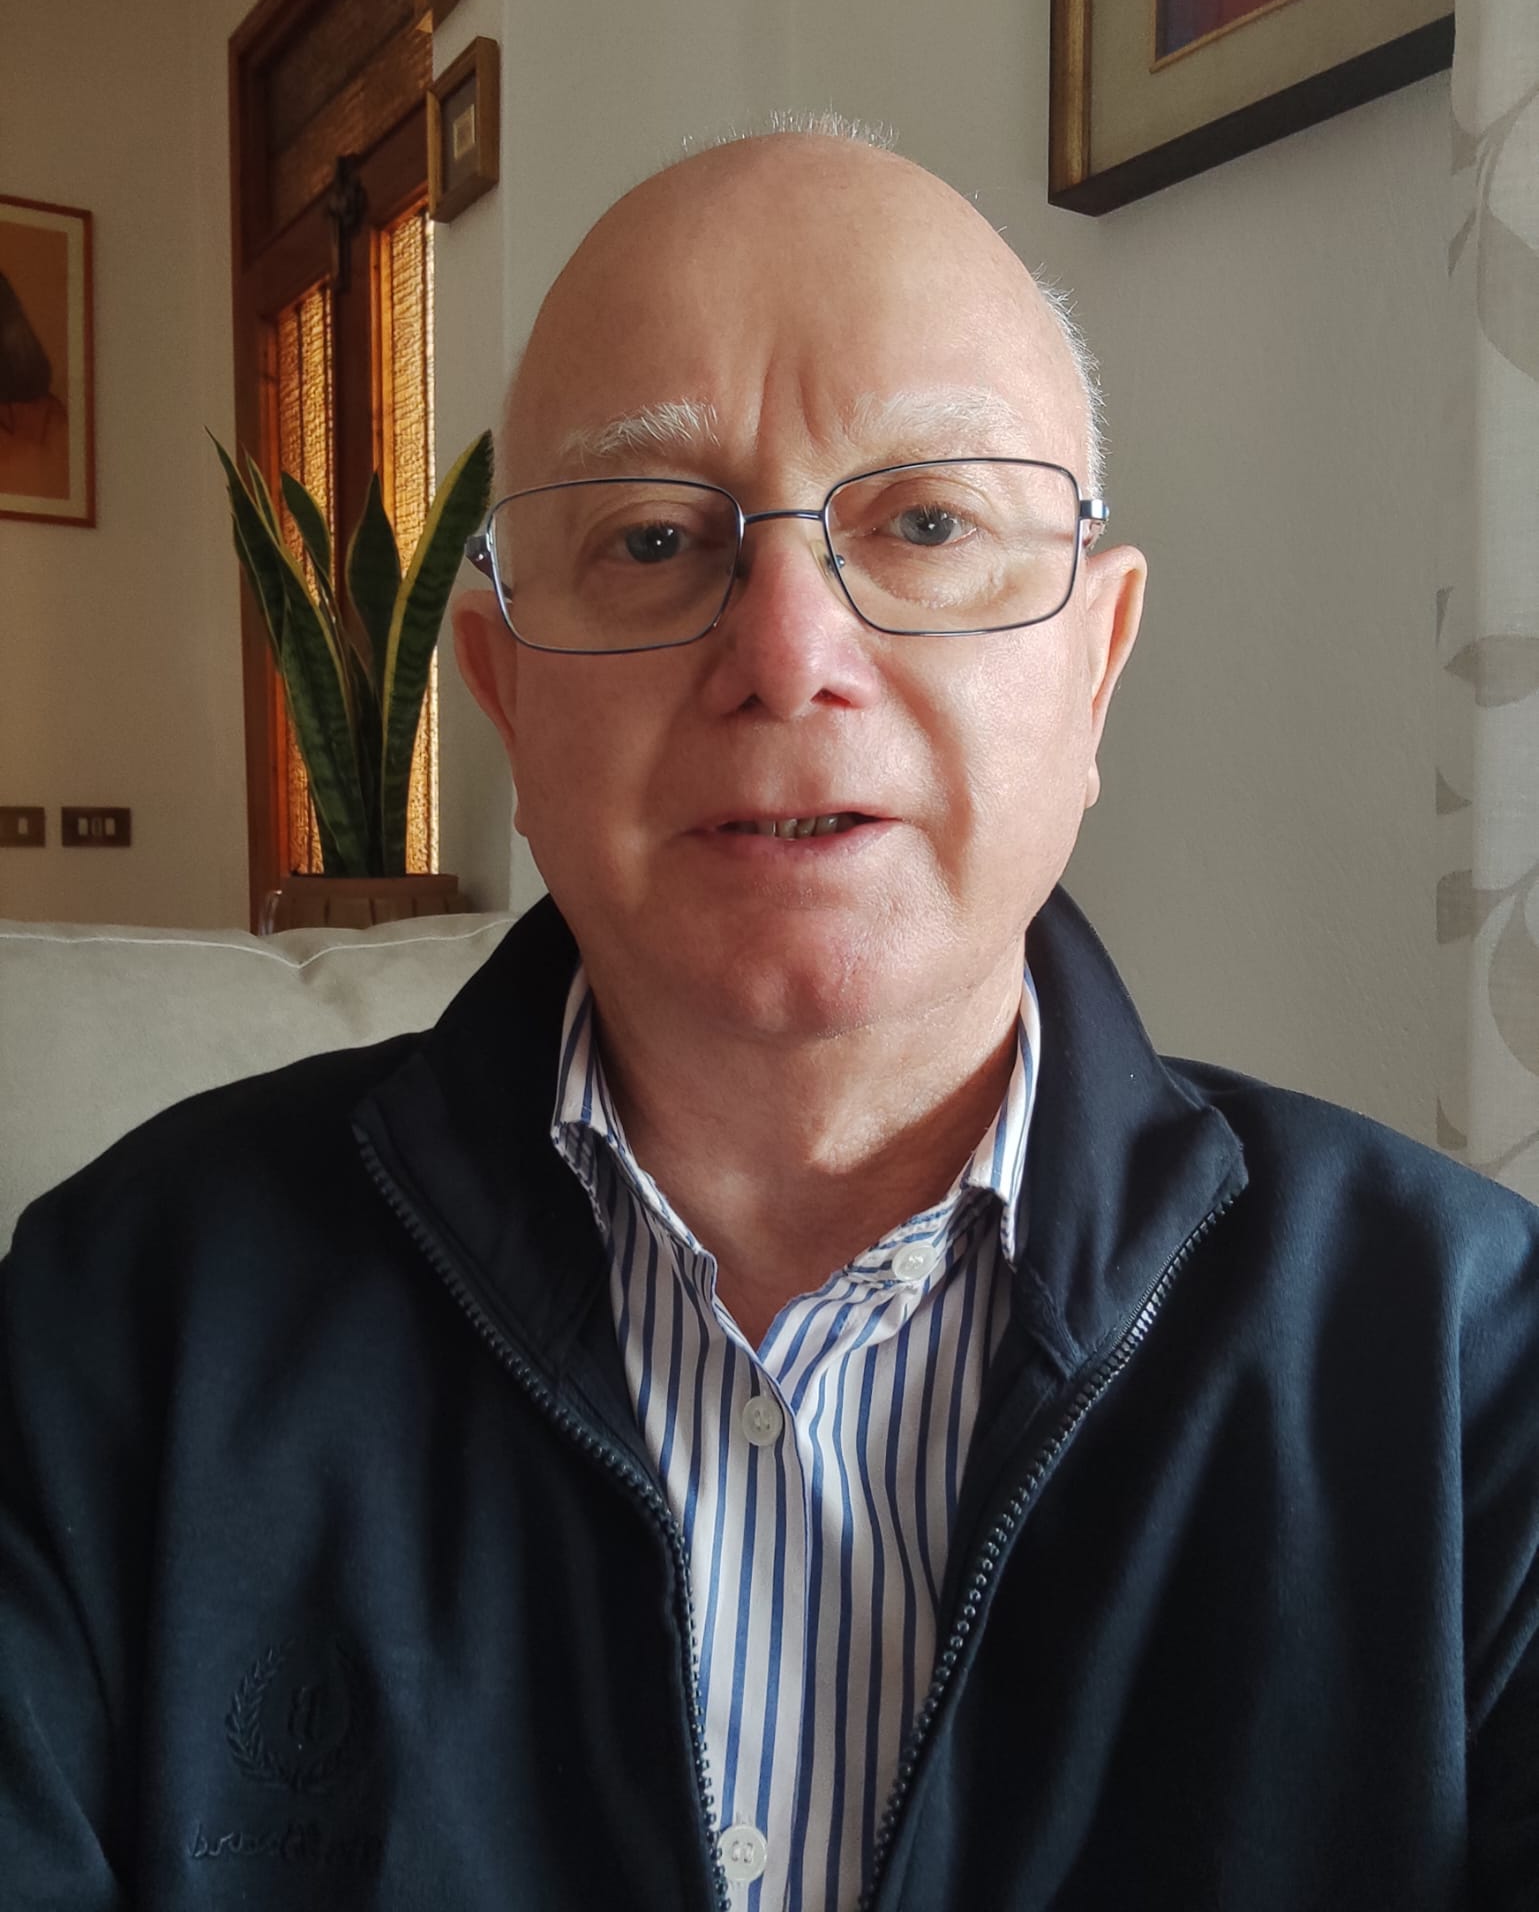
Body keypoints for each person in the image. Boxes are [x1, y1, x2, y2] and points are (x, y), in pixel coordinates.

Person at [2, 126, 1535, 1912]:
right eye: (655, 538)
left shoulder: (1471, 1368)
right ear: (502, 691)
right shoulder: (118, 1330)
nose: (790, 653)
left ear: (1096, 666)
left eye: (930, 523)